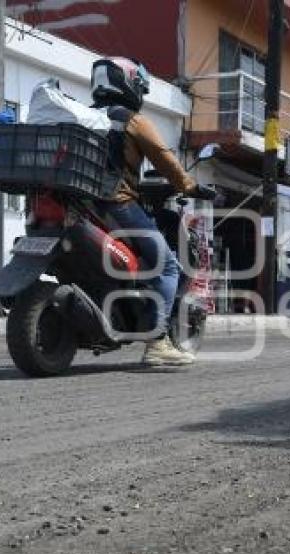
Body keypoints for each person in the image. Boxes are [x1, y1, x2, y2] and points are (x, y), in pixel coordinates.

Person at [90, 57, 214, 366]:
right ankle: (157, 342)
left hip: (83, 202)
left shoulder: (84, 116)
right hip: (117, 203)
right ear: (128, 84)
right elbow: (163, 157)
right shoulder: (130, 120)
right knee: (168, 266)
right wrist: (190, 186)